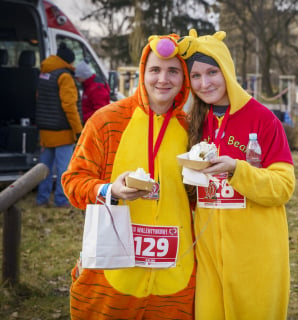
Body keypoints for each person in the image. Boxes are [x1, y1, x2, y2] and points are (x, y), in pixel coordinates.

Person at [61, 34, 195, 319]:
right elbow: (72, 183)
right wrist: (110, 191)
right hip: (113, 276)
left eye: (173, 71)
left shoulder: (193, 130)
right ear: (142, 73)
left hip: (174, 278)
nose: (163, 79)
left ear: (184, 79)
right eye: (155, 70)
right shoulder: (106, 121)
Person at [177, 29, 295, 319]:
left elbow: (283, 186)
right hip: (208, 258)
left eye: (212, 72)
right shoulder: (193, 122)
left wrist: (237, 169)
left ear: (227, 70)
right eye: (196, 76)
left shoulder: (263, 119)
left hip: (255, 256)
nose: (204, 84)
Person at [35, 42, 82, 208]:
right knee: (64, 168)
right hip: (62, 130)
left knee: (44, 167)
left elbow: (39, 98)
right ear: (68, 62)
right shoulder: (65, 76)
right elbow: (69, 106)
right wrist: (78, 131)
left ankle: (42, 199)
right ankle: (61, 200)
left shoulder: (45, 73)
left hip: (46, 129)